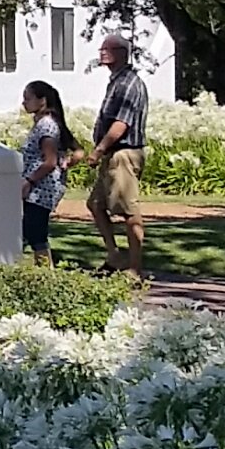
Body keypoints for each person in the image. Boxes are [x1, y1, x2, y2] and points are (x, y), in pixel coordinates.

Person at [74, 32, 151, 277]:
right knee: (96, 204)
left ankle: (135, 268)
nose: (102, 53)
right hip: (112, 155)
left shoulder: (129, 83)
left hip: (123, 155)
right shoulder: (116, 81)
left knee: (129, 211)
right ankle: (114, 256)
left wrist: (99, 150)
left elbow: (121, 124)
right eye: (101, 49)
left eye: (107, 49)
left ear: (121, 53)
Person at [18, 79, 68, 265]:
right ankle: (41, 268)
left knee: (36, 231)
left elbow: (49, 161)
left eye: (28, 98)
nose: (24, 103)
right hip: (37, 187)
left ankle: (45, 270)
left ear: (42, 100)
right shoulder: (43, 124)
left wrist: (29, 181)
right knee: (31, 230)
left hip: (41, 188)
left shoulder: (46, 126)